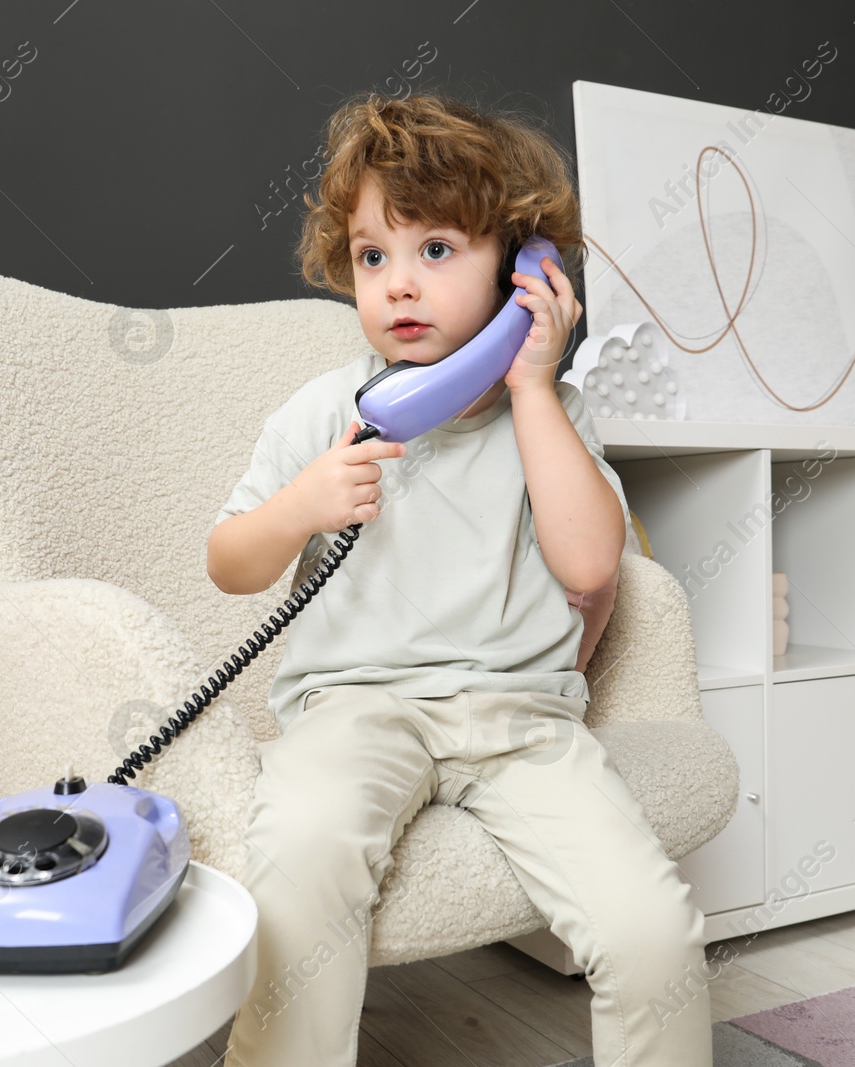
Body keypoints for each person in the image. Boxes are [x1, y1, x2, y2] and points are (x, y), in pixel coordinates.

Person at [207, 89, 713, 1067]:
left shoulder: (549, 415)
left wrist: (529, 385)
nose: (399, 284)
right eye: (372, 255)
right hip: (355, 707)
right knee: (301, 860)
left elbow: (590, 564)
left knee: (652, 931)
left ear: (524, 269)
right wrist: (300, 505)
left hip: (519, 719)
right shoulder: (325, 411)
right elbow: (230, 563)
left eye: (436, 250)